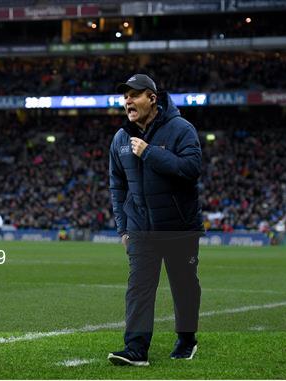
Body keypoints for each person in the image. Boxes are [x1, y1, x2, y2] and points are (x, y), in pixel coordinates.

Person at [108, 74, 203, 366]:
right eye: (125, 96)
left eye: (134, 95)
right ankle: (136, 349)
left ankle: (187, 340)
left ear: (152, 98)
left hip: (179, 228)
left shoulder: (181, 129)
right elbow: (117, 185)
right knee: (138, 288)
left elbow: (191, 168)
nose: (128, 101)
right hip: (140, 229)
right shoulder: (121, 138)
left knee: (184, 286)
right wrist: (123, 228)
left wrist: (149, 153)